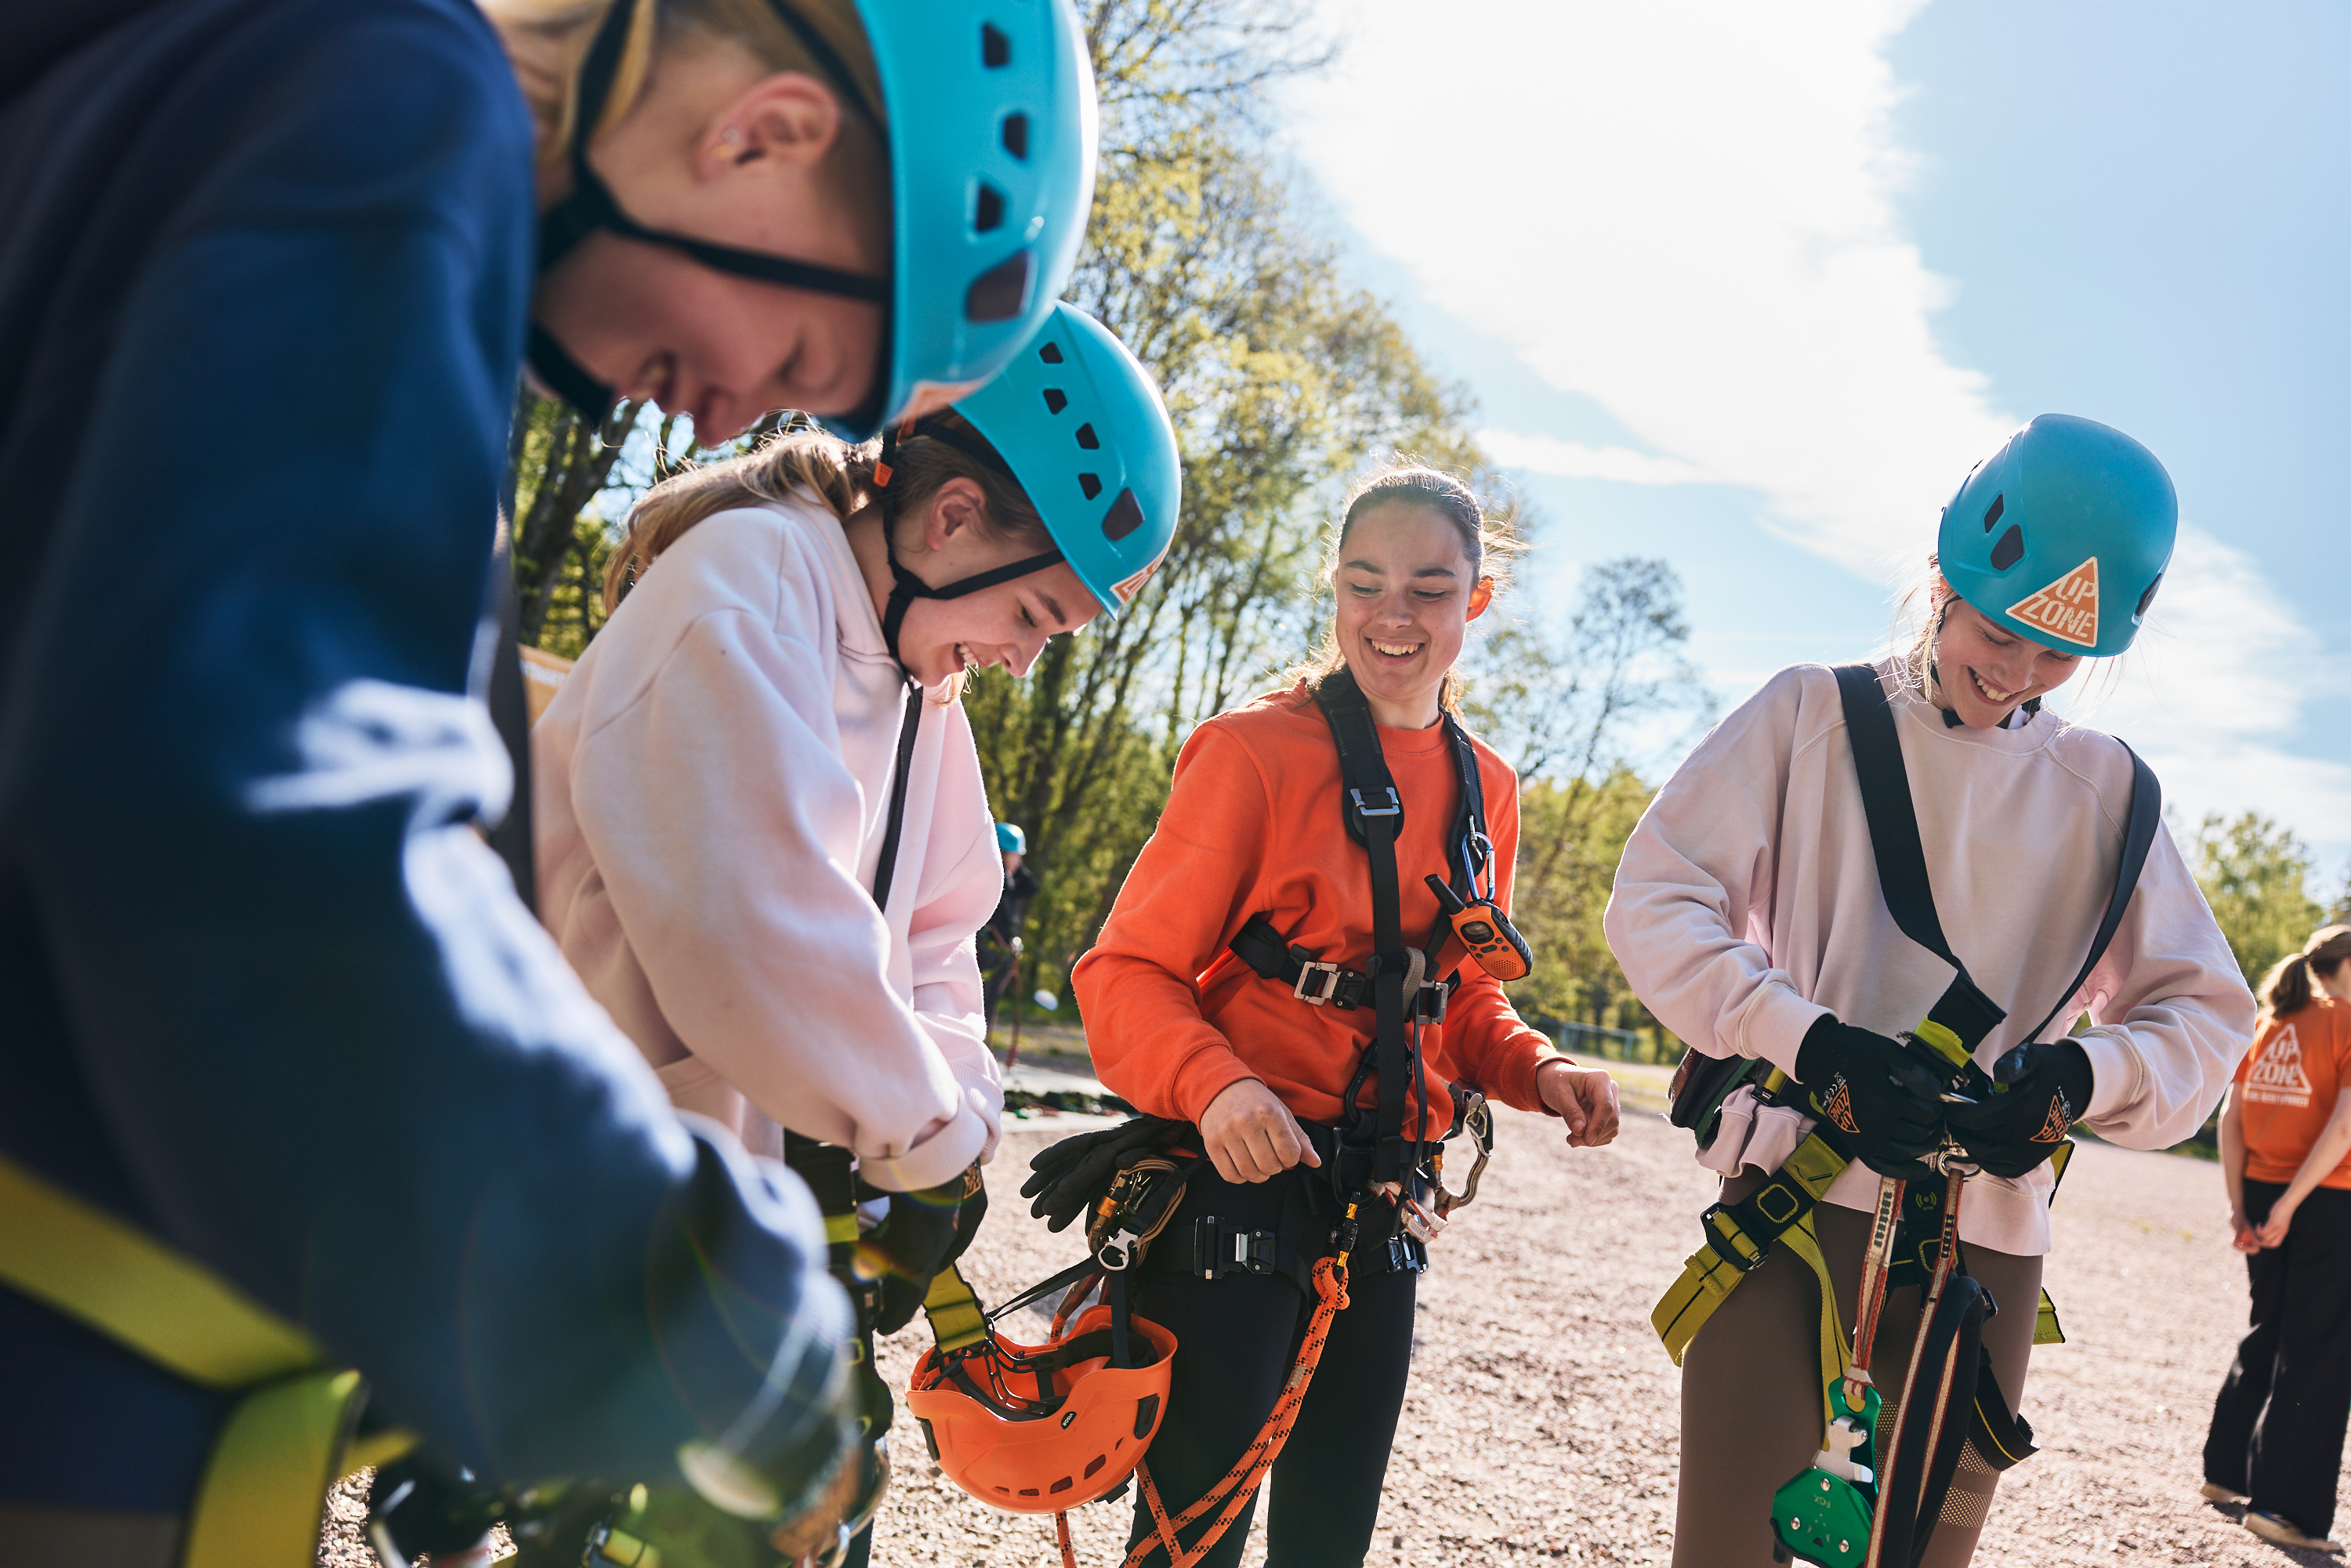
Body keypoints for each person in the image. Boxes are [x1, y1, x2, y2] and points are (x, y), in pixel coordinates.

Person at [0, 0, 1096, 1562]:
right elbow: (257, 850)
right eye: (790, 355)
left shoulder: (193, 71)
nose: (730, 414)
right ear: (762, 132)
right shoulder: (389, 98)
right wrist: (695, 1305)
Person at [532, 302, 1183, 1567]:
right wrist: (918, 1139)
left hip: (742, 1221)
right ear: (951, 523)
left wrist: (952, 1129)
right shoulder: (742, 594)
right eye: (1038, 618)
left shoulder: (916, 681)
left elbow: (939, 934)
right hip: (603, 1204)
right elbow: (753, 932)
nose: (1018, 657)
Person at [1605, 413, 2256, 1568]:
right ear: (1948, 570)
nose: (2016, 672)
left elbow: (2206, 1021)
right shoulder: (1811, 717)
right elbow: (1655, 901)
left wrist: (2078, 1076)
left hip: (1985, 1253)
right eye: (2001, 630)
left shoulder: (2108, 794)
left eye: (2058, 655)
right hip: (1792, 1212)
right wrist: (1808, 1042)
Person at [1072, 463, 1624, 1568]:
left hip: (1382, 1201)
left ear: (1476, 600)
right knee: (1192, 1539)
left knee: (1330, 1537)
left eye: (1428, 587)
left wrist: (1536, 1066)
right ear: (1333, 586)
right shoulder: (1251, 754)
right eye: (1365, 581)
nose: (1393, 614)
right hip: (1240, 1186)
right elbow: (1125, 971)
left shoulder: (1489, 789)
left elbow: (1459, 998)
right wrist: (1216, 1083)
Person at [2204, 925, 2351, 1552]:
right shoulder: (2346, 1020)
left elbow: (2230, 1118)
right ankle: (2284, 1507)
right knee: (2318, 1346)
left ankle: (2226, 1472)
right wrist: (2294, 1203)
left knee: (2271, 1326)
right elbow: (2347, 1125)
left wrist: (2244, 1204)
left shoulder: (2270, 1021)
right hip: (2326, 1196)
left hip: (2264, 1190)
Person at [980, 822, 1041, 1035]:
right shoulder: (989, 881)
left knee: (987, 1012)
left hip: (997, 959)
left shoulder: (1009, 882)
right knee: (979, 1011)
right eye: (1015, 855)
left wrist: (1013, 866)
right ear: (1000, 852)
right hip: (985, 957)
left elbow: (1032, 888)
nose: (1018, 861)